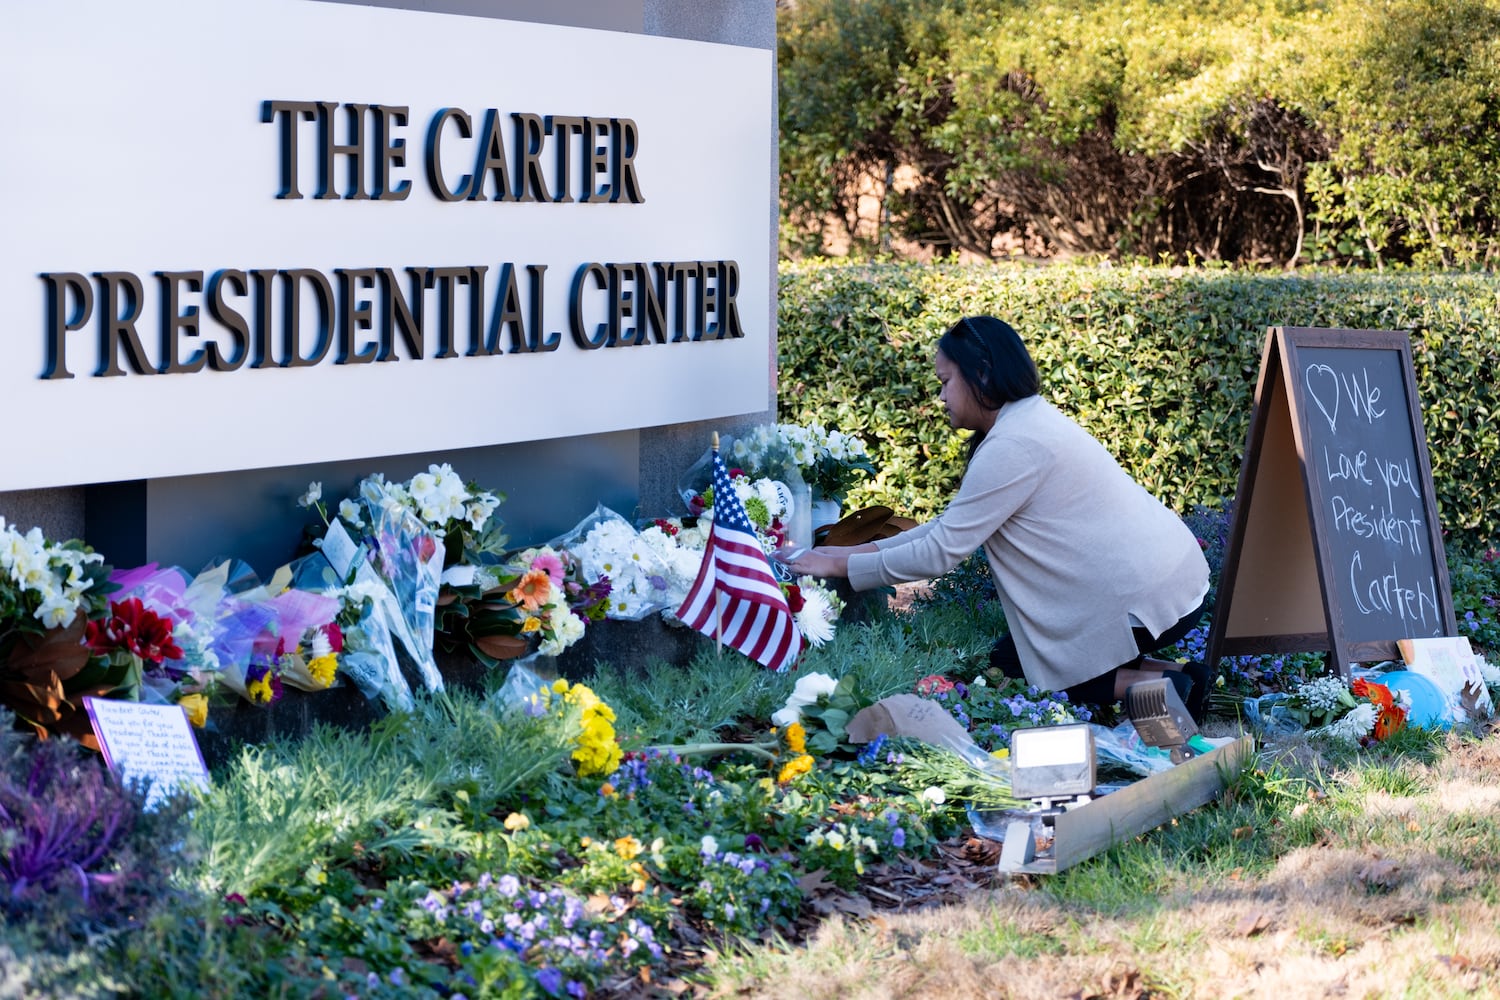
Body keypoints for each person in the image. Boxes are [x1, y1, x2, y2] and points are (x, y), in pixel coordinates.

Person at [775, 315, 1212, 720]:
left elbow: (940, 553)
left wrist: (839, 565)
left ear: (981, 373)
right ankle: (1185, 675)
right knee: (1014, 657)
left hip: (1146, 601)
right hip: (1167, 583)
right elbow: (949, 530)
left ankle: (1168, 687)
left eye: (946, 381)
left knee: (1041, 673)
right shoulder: (1025, 423)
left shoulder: (1013, 446)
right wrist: (857, 551)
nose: (942, 396)